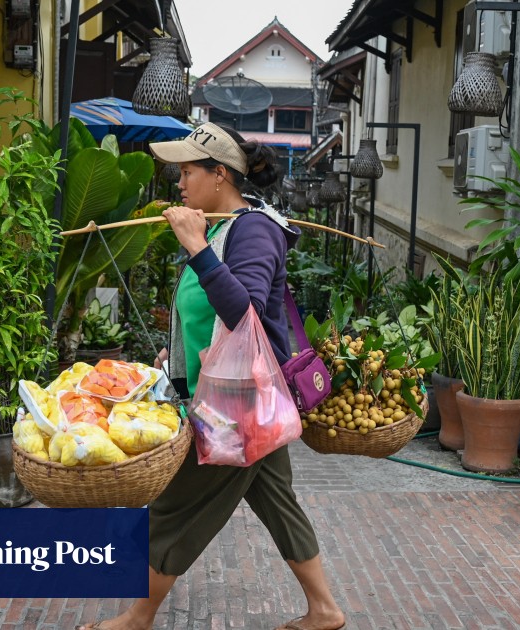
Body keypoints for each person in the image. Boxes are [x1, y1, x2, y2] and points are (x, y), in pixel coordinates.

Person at [78, 122, 346, 630]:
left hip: (234, 407)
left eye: (187, 172)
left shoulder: (254, 230)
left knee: (172, 509)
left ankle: (138, 617)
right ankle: (325, 610)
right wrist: (173, 354)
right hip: (235, 398)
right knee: (277, 501)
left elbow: (241, 311)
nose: (178, 183)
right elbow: (203, 312)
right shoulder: (221, 228)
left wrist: (196, 247)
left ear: (219, 174)